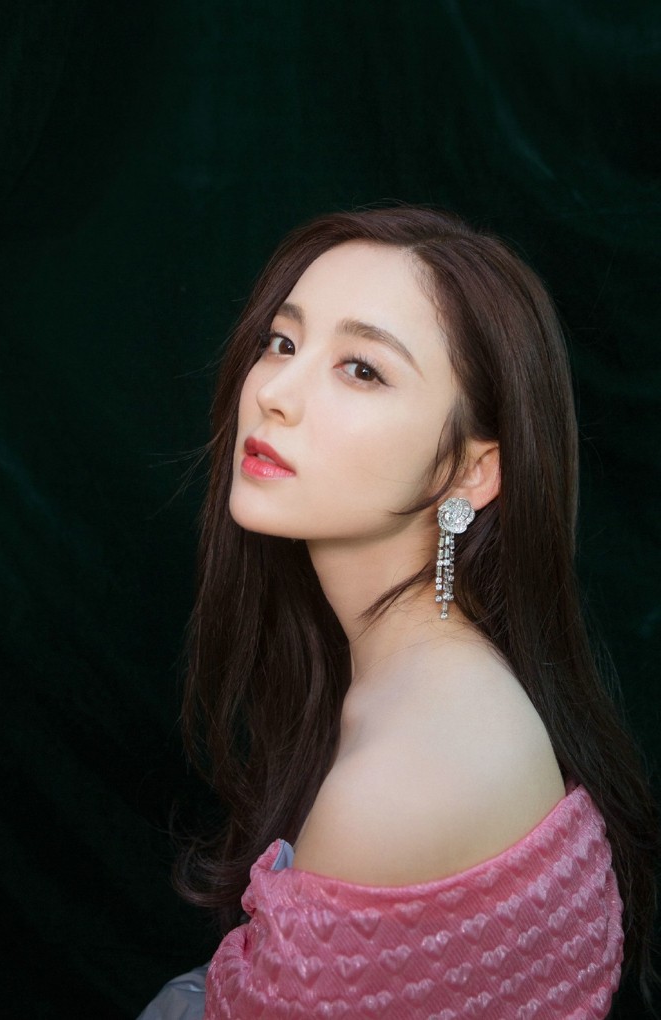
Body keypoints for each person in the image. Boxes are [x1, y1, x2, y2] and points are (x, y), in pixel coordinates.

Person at [138, 206, 658, 1019]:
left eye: (362, 369)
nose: (273, 393)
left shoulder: (402, 774)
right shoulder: (425, 678)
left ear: (471, 472)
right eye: (282, 342)